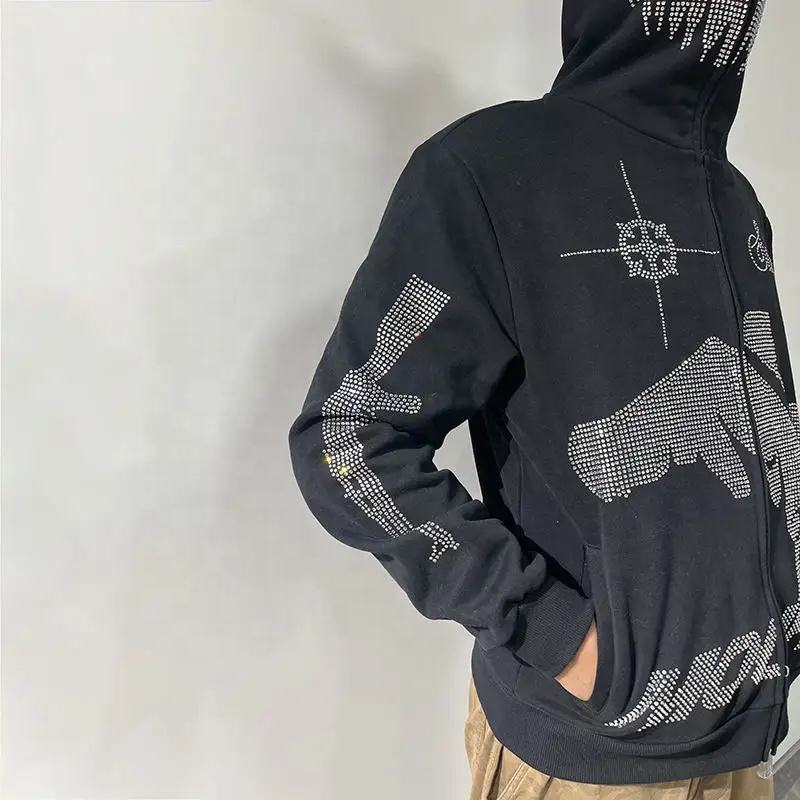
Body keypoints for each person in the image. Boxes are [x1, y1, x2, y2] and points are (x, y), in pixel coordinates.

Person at [287, 1, 796, 797]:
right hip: (589, 760)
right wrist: (559, 636)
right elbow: (345, 437)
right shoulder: (487, 170)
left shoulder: (734, 197)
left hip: (740, 734)